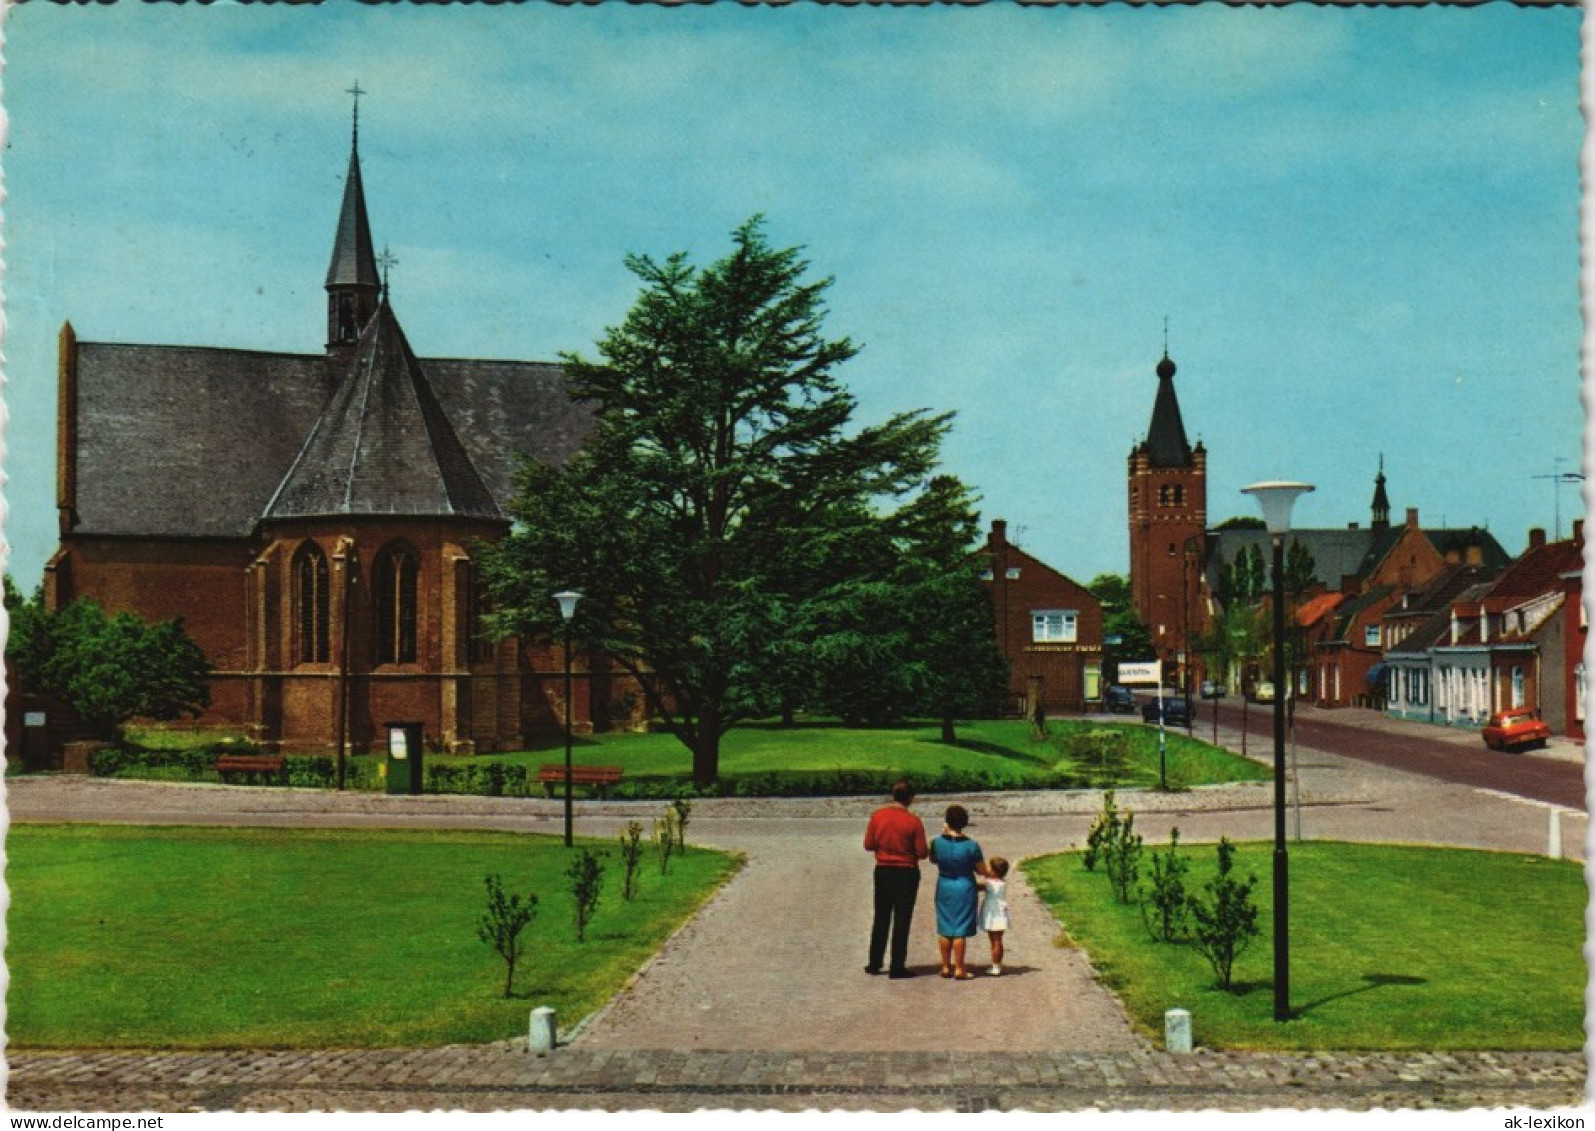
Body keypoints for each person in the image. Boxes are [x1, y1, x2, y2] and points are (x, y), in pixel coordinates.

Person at [863, 779, 929, 979]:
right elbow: (922, 852)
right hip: (906, 872)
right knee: (902, 919)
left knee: (881, 916)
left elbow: (868, 844)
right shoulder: (913, 821)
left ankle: (875, 962)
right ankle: (897, 965)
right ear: (910, 798)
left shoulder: (878, 816)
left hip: (883, 870)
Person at [929, 804, 985, 980]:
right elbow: (982, 870)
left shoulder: (937, 842)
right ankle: (960, 968)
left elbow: (932, 859)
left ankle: (946, 966)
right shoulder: (971, 845)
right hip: (964, 885)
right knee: (959, 929)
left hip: (945, 883)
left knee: (945, 927)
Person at [978, 856, 1011, 976]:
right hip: (1001, 912)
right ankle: (997, 964)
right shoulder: (1002, 883)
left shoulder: (990, 884)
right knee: (998, 940)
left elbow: (978, 886)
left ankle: (996, 966)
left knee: (995, 941)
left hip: (993, 913)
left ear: (995, 872)